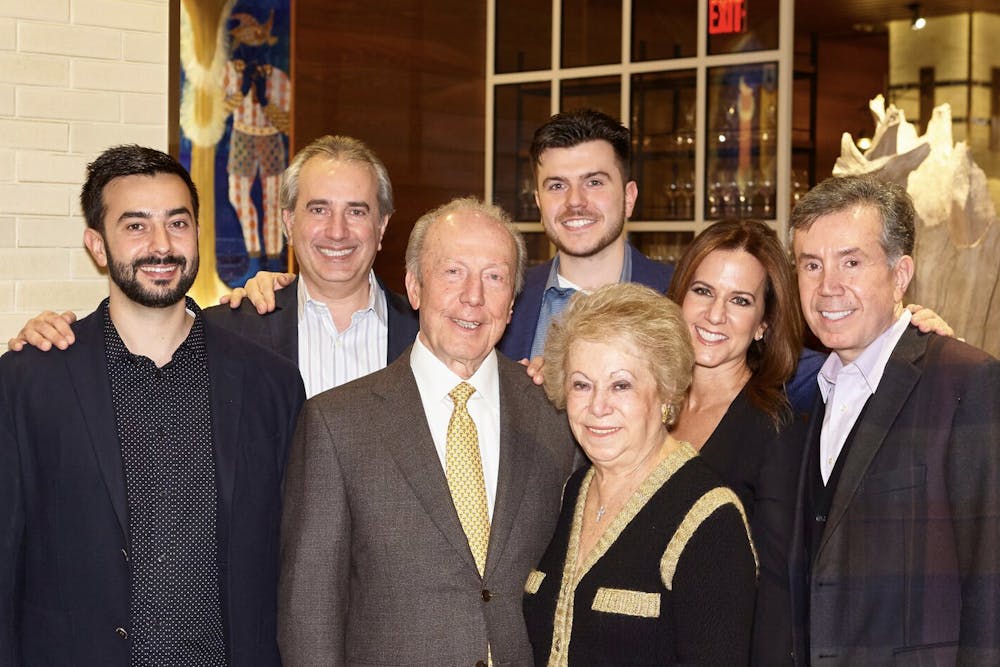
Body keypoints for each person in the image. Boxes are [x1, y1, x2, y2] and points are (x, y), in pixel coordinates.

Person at [0, 145, 305, 665]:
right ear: (97, 245)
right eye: (135, 226)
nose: (161, 245)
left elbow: (296, 560)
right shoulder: (29, 381)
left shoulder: (270, 384)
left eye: (177, 223)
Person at [277, 197, 580, 666]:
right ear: (415, 287)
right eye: (453, 272)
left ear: (513, 303)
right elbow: (310, 611)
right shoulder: (337, 424)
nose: (473, 297)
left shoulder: (556, 413)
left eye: (495, 277)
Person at [6, 135, 419, 398]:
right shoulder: (229, 327)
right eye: (318, 209)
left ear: (381, 226)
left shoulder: (430, 335)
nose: (336, 231)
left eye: (357, 212)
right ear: (288, 223)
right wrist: (50, 342)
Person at [787, 174, 1000, 665]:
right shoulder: (810, 392)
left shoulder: (967, 384)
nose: (828, 287)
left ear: (901, 274)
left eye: (851, 262)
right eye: (811, 265)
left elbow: (991, 581)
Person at [523, 282, 757, 665]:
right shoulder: (574, 492)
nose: (598, 406)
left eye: (621, 385)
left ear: (665, 393)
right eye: (582, 384)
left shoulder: (710, 517)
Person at [666, 218, 806, 665]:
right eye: (703, 291)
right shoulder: (646, 403)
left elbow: (777, 596)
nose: (714, 315)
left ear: (763, 324)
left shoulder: (776, 428)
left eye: (740, 301)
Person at [497, 109, 674, 363]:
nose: (575, 202)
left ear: (628, 197)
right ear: (538, 201)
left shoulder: (678, 297)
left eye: (594, 182)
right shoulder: (505, 297)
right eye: (557, 186)